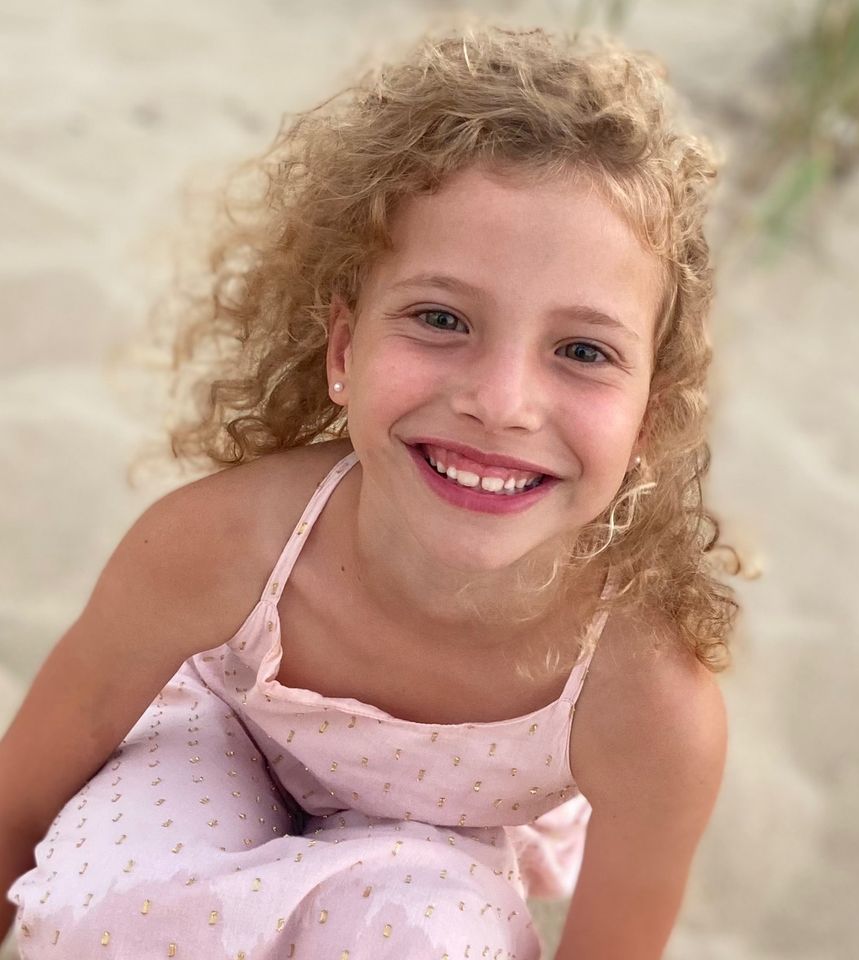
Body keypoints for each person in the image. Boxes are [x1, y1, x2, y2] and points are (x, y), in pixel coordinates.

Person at [0, 23, 742, 960]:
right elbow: (17, 805)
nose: (501, 403)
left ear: (648, 416)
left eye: (582, 351)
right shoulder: (223, 545)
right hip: (211, 752)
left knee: (419, 937)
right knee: (108, 904)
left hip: (444, 860)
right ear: (345, 350)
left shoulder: (646, 702)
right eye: (441, 318)